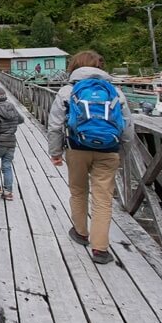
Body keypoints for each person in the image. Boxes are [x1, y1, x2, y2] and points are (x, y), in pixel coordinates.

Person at [46, 50, 132, 264]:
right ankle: (100, 249)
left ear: (74, 66)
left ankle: (81, 233)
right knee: (103, 199)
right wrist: (122, 151)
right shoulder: (115, 92)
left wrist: (55, 153)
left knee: (78, 191)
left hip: (76, 148)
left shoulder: (67, 91)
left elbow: (55, 126)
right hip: (108, 149)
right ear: (100, 67)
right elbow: (128, 126)